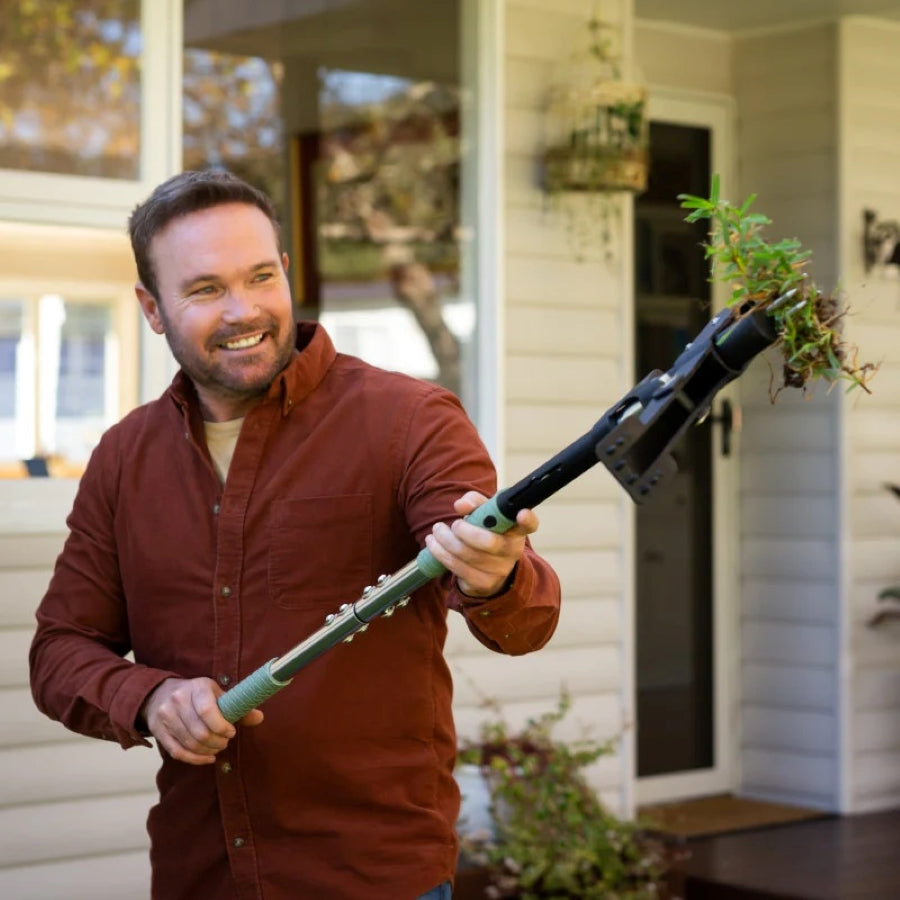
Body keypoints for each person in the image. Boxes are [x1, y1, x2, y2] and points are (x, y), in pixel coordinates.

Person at [29, 169, 561, 900]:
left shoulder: (410, 420)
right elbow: (59, 652)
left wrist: (496, 572)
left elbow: (526, 618)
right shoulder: (124, 458)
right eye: (206, 289)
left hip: (373, 881)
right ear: (152, 309)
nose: (243, 310)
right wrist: (150, 698)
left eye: (260, 276)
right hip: (200, 877)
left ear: (285, 270)